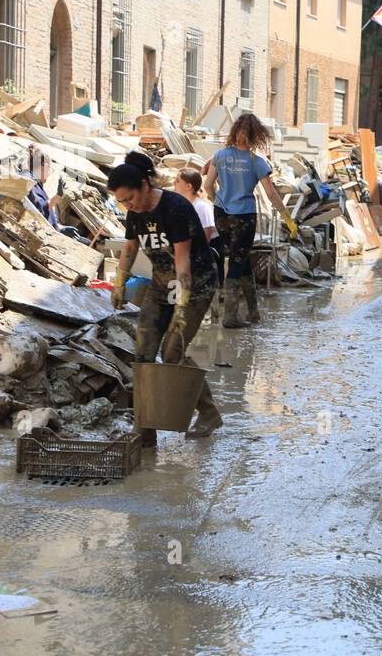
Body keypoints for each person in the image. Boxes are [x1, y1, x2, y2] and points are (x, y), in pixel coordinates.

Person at [108, 151, 223, 443]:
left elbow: (182, 261)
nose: (127, 205)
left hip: (194, 285)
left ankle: (208, 412)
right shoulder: (134, 213)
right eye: (121, 201)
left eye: (129, 198)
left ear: (145, 185)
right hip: (161, 287)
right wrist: (119, 283)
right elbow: (130, 248)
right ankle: (145, 429)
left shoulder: (175, 208)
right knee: (143, 353)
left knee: (172, 353)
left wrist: (181, 309)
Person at [203, 113, 271, 328]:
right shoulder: (257, 162)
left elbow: (207, 186)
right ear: (256, 135)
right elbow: (271, 194)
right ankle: (231, 316)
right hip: (244, 217)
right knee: (237, 260)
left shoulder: (220, 156)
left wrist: (218, 200)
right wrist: (287, 217)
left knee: (240, 258)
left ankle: (253, 312)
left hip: (221, 214)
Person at [174, 168, 224, 286]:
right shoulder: (184, 205)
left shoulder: (201, 206)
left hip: (209, 247)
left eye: (177, 181)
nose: (174, 183)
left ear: (188, 186)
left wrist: (196, 255)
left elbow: (207, 233)